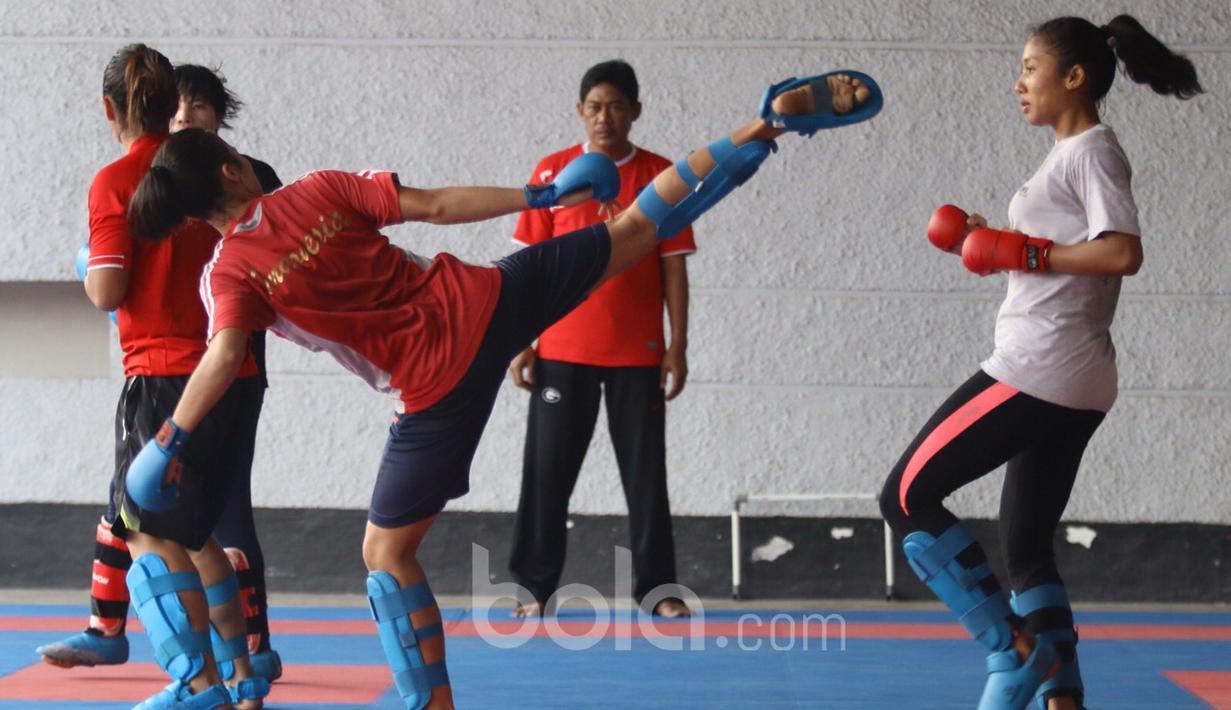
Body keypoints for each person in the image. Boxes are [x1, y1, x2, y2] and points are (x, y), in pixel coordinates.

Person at [121, 70, 880, 709]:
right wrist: (537, 197)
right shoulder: (317, 188)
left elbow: (222, 357)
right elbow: (439, 206)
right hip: (487, 298)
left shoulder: (225, 274)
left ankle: (433, 704)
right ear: (229, 169)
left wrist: (171, 438)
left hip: (435, 385)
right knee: (635, 229)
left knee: (385, 554)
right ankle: (761, 127)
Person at [878, 15, 1200, 710]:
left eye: (1030, 67)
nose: (1018, 82)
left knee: (904, 495)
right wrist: (988, 240)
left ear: (1073, 77)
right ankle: (1063, 701)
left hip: (1038, 366)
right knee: (1024, 548)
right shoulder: (1066, 156)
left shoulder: (1090, 150)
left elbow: (1121, 252)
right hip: (1074, 374)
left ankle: (1012, 648)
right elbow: (1058, 258)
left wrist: (1023, 252)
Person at [39, 63, 286, 686]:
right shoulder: (214, 179)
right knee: (188, 532)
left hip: (173, 372)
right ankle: (238, 674)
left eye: (200, 108)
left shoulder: (153, 179)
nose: (189, 118)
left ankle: (199, 681)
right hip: (230, 371)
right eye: (182, 107)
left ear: (111, 109)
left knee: (157, 528)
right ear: (166, 108)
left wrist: (92, 267)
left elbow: (108, 291)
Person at [507, 60, 695, 619]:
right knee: (545, 476)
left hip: (637, 354)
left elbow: (674, 270)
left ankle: (658, 591)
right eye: (594, 106)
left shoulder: (663, 177)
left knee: (646, 477)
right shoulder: (553, 173)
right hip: (561, 353)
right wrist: (521, 340)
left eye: (616, 105)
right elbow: (530, 267)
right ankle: (533, 590)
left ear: (635, 111)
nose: (604, 117)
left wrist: (676, 344)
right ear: (580, 112)